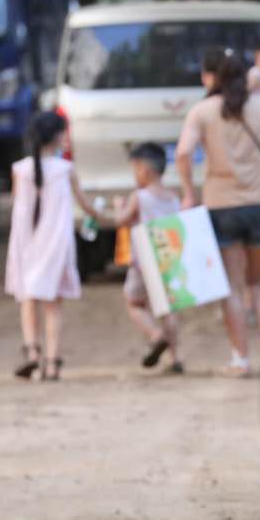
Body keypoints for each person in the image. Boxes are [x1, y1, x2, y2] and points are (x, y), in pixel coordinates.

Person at [176, 52, 260, 378]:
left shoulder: (203, 112)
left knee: (233, 287)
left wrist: (189, 193)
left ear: (215, 78)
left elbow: (182, 152)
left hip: (221, 204)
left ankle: (240, 358)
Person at [4, 110, 100, 381]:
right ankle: (53, 362)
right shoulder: (65, 170)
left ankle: (32, 353)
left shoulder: (19, 170)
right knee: (53, 304)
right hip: (55, 245)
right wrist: (104, 216)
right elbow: (84, 204)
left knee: (28, 299)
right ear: (58, 137)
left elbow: (17, 204)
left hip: (27, 244)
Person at [108, 143, 183, 373]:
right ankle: (174, 357)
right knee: (168, 309)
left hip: (143, 261)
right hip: (169, 261)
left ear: (143, 169)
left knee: (134, 302)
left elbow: (122, 220)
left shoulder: (139, 197)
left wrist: (118, 207)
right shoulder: (173, 197)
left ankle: (155, 334)